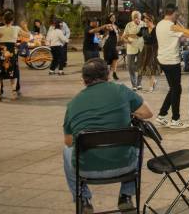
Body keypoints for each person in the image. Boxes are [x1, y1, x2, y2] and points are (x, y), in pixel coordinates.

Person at [62, 58, 153, 214]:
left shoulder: (73, 103)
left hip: (86, 170)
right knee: (136, 139)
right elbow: (147, 113)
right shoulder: (121, 90)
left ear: (83, 80)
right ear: (108, 74)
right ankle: (126, 195)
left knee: (66, 149)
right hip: (126, 166)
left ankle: (83, 199)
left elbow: (69, 141)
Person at [155, 4, 189, 129]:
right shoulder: (171, 26)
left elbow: (179, 39)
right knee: (176, 89)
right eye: (177, 14)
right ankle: (175, 119)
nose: (178, 16)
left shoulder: (160, 24)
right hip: (171, 60)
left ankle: (162, 115)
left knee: (173, 88)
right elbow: (185, 37)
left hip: (163, 59)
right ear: (173, 13)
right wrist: (179, 25)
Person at [0, 11, 27, 101]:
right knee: (13, 73)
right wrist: (25, 27)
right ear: (12, 20)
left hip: (0, 52)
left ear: (4, 20)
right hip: (12, 52)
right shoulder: (16, 28)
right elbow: (28, 36)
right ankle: (14, 93)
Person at [122, 11, 144, 90]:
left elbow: (143, 35)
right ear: (132, 18)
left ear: (140, 17)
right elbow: (123, 37)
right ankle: (134, 84)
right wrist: (127, 41)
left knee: (140, 66)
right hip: (131, 48)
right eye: (135, 17)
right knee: (130, 66)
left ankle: (139, 83)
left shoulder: (143, 24)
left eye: (138, 17)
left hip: (141, 48)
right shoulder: (129, 25)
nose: (137, 19)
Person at [138, 14, 160, 92]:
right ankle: (153, 80)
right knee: (145, 67)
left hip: (154, 49)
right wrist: (126, 35)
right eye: (145, 21)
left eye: (147, 21)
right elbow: (137, 35)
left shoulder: (157, 29)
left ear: (151, 20)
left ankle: (151, 85)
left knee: (152, 66)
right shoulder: (143, 29)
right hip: (145, 50)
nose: (145, 22)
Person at [102, 13, 120, 81]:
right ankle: (106, 75)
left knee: (115, 58)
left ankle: (114, 73)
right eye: (112, 17)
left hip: (114, 45)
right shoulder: (108, 25)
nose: (113, 18)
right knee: (107, 61)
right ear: (109, 19)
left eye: (114, 17)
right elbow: (107, 29)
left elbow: (118, 35)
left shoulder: (116, 25)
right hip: (108, 45)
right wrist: (109, 28)